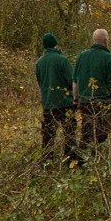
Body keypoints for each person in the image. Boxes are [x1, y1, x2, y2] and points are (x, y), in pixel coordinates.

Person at [73, 29, 111, 154]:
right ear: (106, 41)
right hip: (103, 103)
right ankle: (97, 159)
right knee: (102, 134)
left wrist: (76, 99)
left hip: (85, 102)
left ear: (93, 40)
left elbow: (75, 82)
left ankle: (81, 160)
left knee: (86, 133)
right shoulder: (109, 58)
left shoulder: (81, 56)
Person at [35, 32, 79, 166]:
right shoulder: (62, 60)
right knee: (70, 133)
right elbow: (72, 80)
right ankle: (70, 160)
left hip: (48, 104)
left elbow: (40, 82)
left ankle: (46, 161)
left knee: (48, 135)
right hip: (65, 103)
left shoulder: (39, 62)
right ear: (55, 44)